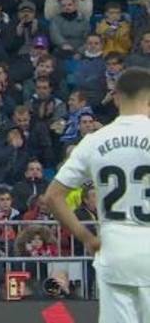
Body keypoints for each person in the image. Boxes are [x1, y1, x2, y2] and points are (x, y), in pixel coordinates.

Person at [45, 67, 150, 323]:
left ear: (115, 97)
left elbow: (53, 196)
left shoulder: (94, 140)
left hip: (114, 246)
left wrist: (86, 237)